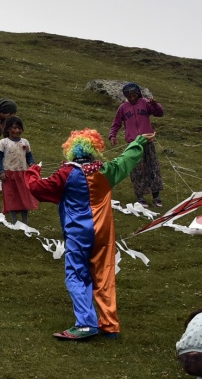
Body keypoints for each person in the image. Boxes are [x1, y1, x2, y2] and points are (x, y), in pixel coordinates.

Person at [26, 128, 148, 340]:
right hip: (103, 233)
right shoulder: (106, 170)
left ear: (71, 151)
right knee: (104, 275)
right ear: (94, 150)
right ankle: (109, 325)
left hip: (77, 233)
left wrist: (32, 171)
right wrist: (139, 142)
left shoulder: (65, 174)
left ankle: (85, 324)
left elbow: (37, 188)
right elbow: (127, 159)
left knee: (75, 274)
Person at [109, 83, 166, 208]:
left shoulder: (145, 103)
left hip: (148, 142)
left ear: (138, 94)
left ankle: (156, 196)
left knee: (153, 168)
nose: (132, 98)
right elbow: (116, 123)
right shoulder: (123, 108)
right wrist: (112, 136)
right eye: (129, 96)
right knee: (137, 170)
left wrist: (155, 105)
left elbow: (159, 113)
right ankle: (140, 197)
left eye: (134, 95)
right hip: (133, 144)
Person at [0, 115, 37, 224]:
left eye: (19, 128)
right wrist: (1, 171)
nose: (17, 130)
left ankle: (25, 221)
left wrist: (32, 164)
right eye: (14, 128)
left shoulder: (25, 142)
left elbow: (29, 156)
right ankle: (14, 221)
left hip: (22, 174)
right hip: (8, 174)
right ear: (8, 129)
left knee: (24, 196)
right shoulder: (3, 143)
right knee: (11, 197)